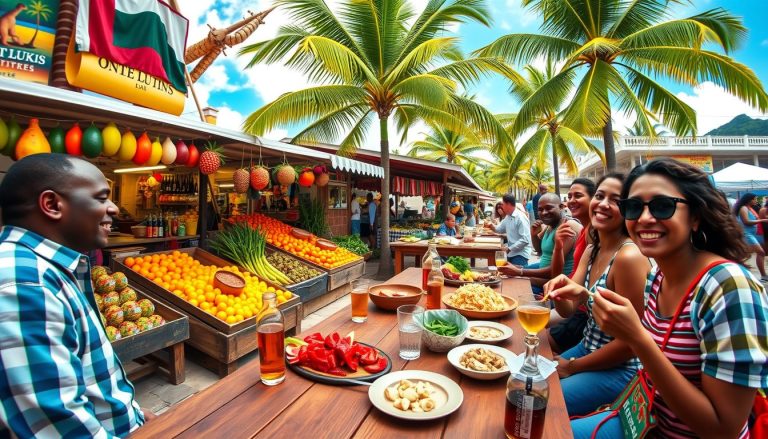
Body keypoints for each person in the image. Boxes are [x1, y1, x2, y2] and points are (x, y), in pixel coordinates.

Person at [571, 158, 768, 439]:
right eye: (634, 207)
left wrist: (638, 338)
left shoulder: (728, 287)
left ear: (696, 215)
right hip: (645, 420)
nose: (645, 218)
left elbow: (723, 429)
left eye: (663, 206)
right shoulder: (658, 277)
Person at [0, 154, 145, 437]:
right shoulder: (25, 284)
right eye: (101, 198)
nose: (113, 208)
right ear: (52, 205)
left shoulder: (42, 268)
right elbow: (56, 423)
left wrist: (133, 416)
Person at [542, 174, 650, 416]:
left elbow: (631, 344)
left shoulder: (629, 257)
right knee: (528, 380)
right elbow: (569, 309)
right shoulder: (592, 249)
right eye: (600, 196)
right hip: (587, 348)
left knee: (544, 404)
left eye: (616, 200)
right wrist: (559, 292)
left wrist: (572, 366)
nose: (603, 204)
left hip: (619, 367)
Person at [548, 178, 597, 354]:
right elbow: (556, 275)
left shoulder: (594, 234)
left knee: (536, 337)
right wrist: (558, 247)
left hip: (583, 315)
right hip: (571, 304)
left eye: (578, 195)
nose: (571, 200)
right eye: (569, 196)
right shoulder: (585, 232)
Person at [503, 193, 582, 294]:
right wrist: (533, 235)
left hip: (555, 283)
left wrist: (520, 272)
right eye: (540, 209)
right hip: (543, 273)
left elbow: (554, 272)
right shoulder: (550, 225)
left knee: (512, 286)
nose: (544, 212)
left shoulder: (567, 227)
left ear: (561, 207)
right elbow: (539, 250)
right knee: (509, 276)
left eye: (549, 208)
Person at [485, 194, 531, 266]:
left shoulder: (521, 218)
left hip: (520, 255)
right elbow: (499, 229)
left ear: (508, 204)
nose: (502, 207)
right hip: (511, 253)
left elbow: (525, 240)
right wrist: (490, 225)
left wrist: (509, 249)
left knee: (516, 276)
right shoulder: (508, 216)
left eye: (503, 204)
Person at [734, 192, 768, 281]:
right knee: (760, 252)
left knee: (745, 254)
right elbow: (746, 221)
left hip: (752, 234)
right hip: (747, 234)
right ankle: (763, 276)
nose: (756, 200)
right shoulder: (744, 208)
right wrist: (763, 220)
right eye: (754, 199)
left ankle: (741, 272)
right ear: (749, 200)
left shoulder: (749, 208)